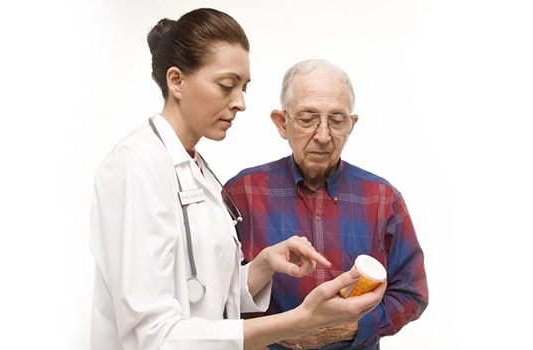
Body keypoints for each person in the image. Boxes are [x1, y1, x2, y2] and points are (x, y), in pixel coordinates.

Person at [89, 9, 386, 350]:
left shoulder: (199, 171)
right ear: (177, 81)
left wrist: (262, 265)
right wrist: (300, 320)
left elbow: (205, 295)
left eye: (244, 88)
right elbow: (153, 335)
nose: (241, 103)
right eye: (227, 86)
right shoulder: (136, 164)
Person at [224, 59, 429, 349]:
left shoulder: (383, 199)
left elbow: (412, 293)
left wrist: (349, 329)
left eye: (336, 120)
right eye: (308, 118)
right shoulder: (242, 193)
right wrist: (279, 331)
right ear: (282, 123)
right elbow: (217, 298)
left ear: (351, 125)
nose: (323, 136)